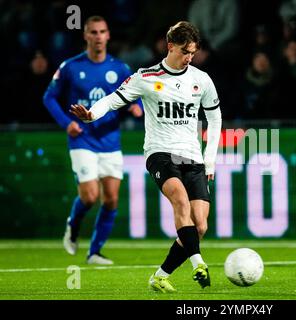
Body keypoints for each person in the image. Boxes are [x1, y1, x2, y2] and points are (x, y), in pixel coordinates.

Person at [70, 21, 222, 292]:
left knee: (199, 226)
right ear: (170, 46)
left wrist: (209, 159)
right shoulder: (146, 77)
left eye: (193, 52)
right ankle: (198, 262)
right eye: (185, 51)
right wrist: (92, 114)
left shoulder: (202, 79)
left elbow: (215, 117)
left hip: (193, 157)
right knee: (179, 201)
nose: (189, 57)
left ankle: (160, 275)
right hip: (160, 153)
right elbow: (113, 99)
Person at [43, 16, 143, 265]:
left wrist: (136, 107)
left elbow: (135, 94)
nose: (98, 36)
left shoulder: (120, 68)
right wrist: (68, 124)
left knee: (111, 199)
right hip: (83, 140)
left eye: (102, 32)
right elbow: (49, 97)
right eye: (93, 32)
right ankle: (73, 225)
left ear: (108, 35)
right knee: (89, 197)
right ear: (86, 36)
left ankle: (94, 253)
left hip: (110, 140)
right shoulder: (70, 67)